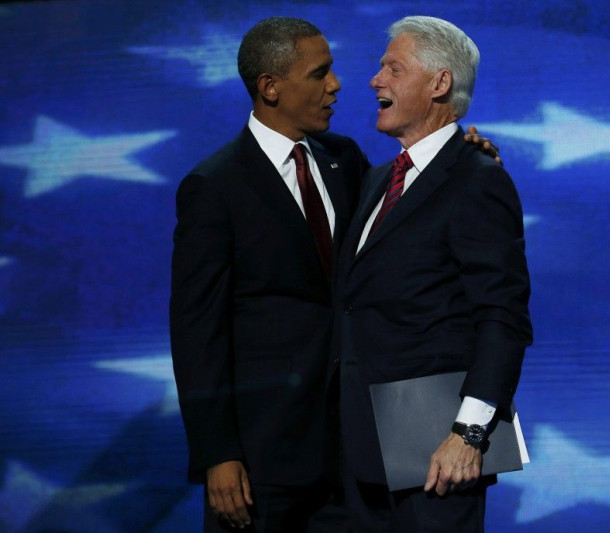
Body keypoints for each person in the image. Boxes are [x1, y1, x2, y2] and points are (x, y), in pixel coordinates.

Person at [333, 16, 532, 532]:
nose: (375, 81)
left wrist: (468, 434)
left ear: (440, 83)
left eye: (392, 69)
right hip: (358, 448)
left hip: (436, 451)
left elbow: (502, 316)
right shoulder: (377, 181)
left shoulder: (478, 180)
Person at [169, 17, 367, 532]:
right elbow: (197, 331)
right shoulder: (214, 187)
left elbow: (408, 212)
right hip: (263, 461)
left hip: (351, 453)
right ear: (271, 87)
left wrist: (465, 161)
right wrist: (218, 453)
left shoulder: (345, 161)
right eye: (320, 73)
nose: (336, 85)